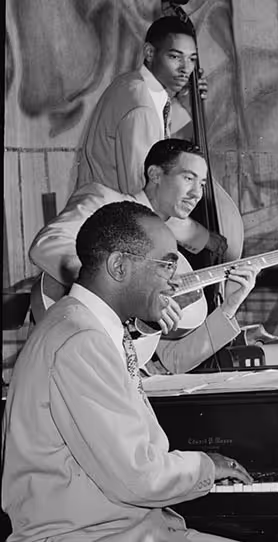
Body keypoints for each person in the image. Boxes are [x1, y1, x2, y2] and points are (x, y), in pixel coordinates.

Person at [2, 201, 254, 541]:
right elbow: (139, 478)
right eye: (166, 266)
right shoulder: (80, 341)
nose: (175, 281)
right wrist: (206, 465)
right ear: (119, 265)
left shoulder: (87, 325)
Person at [30, 138, 257, 375]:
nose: (196, 193)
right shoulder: (102, 200)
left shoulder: (172, 255)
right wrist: (121, 290)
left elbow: (174, 360)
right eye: (188, 178)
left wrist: (230, 307)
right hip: (69, 361)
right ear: (155, 174)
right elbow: (45, 245)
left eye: (202, 184)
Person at [75, 15, 225, 256]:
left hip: (110, 231)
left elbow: (163, 143)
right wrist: (202, 237)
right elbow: (147, 196)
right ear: (149, 52)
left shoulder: (134, 86)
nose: (186, 69)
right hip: (113, 242)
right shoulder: (141, 107)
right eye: (175, 57)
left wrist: (185, 101)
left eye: (192, 59)